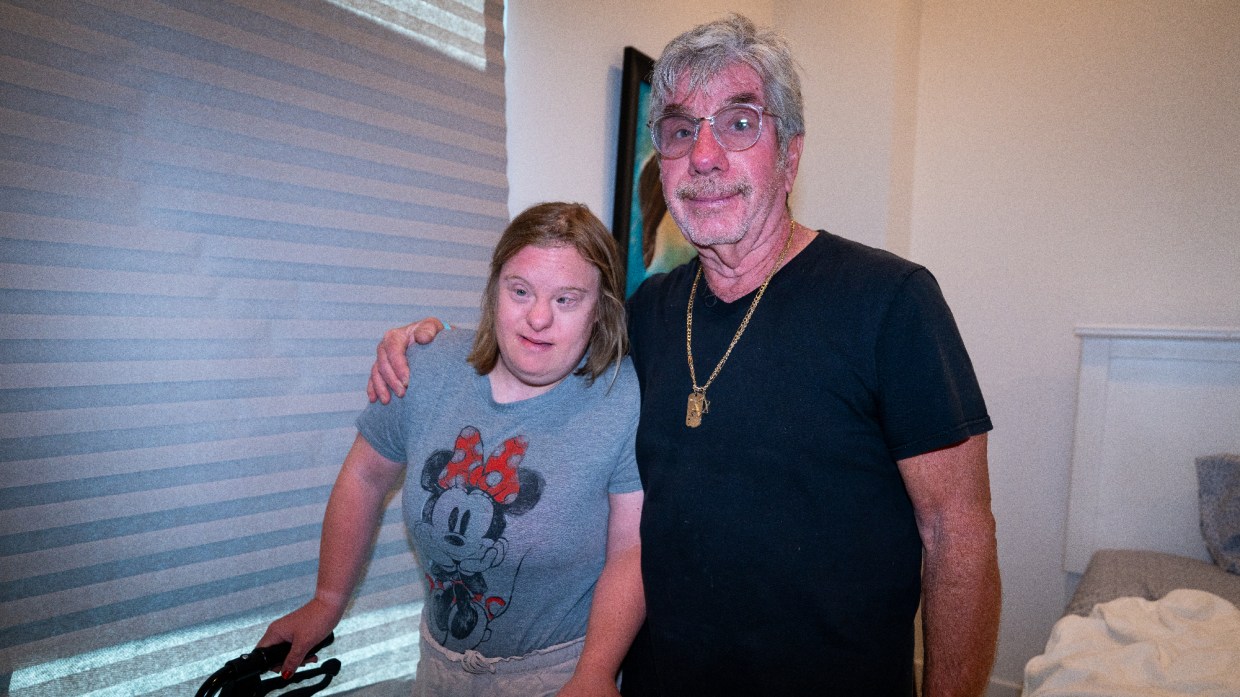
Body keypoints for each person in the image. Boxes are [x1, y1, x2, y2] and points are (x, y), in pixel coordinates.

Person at [368, 14, 1000, 697]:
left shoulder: (890, 302)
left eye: (738, 123)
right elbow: (536, 357)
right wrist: (433, 344)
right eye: (678, 131)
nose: (703, 157)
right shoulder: (644, 312)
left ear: (790, 156)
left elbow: (957, 531)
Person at [260, 202, 645, 697]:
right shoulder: (425, 365)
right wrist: (327, 600)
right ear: (493, 289)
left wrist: (596, 671)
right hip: (438, 667)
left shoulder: (621, 397)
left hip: (561, 676)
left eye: (566, 299)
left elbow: (630, 549)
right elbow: (365, 477)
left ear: (600, 308)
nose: (538, 317)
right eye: (520, 291)